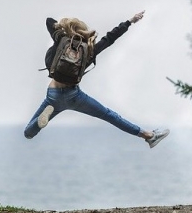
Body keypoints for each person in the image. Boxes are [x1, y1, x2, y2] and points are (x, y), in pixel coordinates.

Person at [24, 11, 170, 148]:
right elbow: (110, 38)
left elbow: (49, 21)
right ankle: (149, 136)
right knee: (109, 116)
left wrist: (64, 30)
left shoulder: (61, 40)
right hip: (74, 96)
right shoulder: (89, 50)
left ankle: (39, 123)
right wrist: (130, 21)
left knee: (28, 133)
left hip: (53, 95)